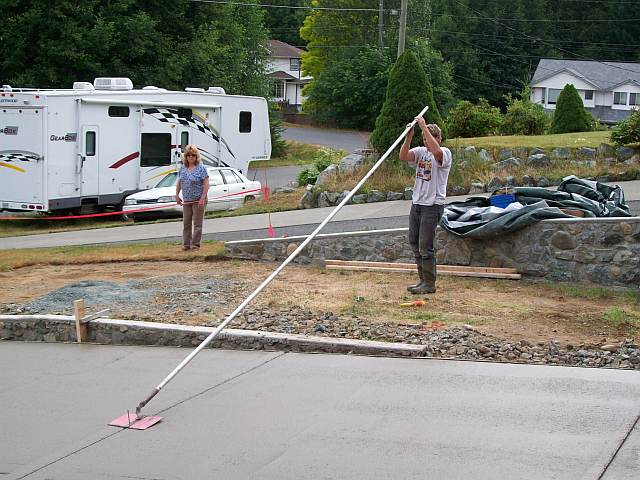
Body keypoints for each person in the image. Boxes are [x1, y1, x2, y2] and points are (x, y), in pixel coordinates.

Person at [399, 116, 452, 294]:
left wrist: (423, 126)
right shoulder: (421, 152)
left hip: (433, 205)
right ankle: (422, 281)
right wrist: (409, 136)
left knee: (425, 245)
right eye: (425, 138)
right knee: (414, 242)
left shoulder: (444, 153)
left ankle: (430, 283)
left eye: (431, 137)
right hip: (417, 203)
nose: (427, 141)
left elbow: (436, 153)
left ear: (439, 138)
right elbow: (403, 156)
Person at [176, 144, 209, 251]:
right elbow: (180, 182)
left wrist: (203, 197)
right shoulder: (183, 169)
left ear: (196, 156)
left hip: (198, 200)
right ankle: (186, 244)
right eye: (188, 155)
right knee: (186, 223)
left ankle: (195, 244)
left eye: (193, 155)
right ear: (185, 157)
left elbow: (206, 183)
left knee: (197, 223)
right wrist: (177, 195)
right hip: (187, 200)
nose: (191, 157)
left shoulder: (201, 168)